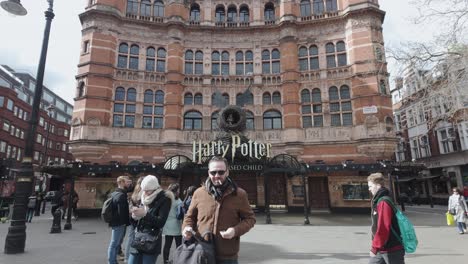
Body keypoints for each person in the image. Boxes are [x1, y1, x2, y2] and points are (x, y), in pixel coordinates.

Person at [182, 156, 256, 264]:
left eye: (221, 172)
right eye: (213, 172)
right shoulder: (199, 193)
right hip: (202, 250)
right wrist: (186, 228)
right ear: (208, 173)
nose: (217, 176)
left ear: (227, 172)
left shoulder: (239, 194)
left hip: (227, 255)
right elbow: (189, 217)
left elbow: (250, 219)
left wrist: (235, 231)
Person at [128, 175, 172, 264]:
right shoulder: (143, 197)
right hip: (138, 238)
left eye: (148, 190)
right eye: (143, 190)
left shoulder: (165, 199)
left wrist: (144, 214)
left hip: (151, 240)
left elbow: (160, 222)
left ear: (155, 188)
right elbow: (135, 223)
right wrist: (134, 216)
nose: (145, 193)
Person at [367, 172, 405, 264]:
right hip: (382, 248)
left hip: (392, 249)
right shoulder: (378, 201)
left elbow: (383, 226)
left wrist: (375, 247)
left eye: (371, 186)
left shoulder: (383, 202)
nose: (369, 189)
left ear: (378, 185)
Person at [107, 175, 133, 264]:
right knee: (114, 243)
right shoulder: (121, 195)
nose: (128, 183)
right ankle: (112, 261)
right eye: (127, 182)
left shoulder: (115, 193)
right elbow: (121, 212)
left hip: (116, 222)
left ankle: (113, 260)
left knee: (115, 243)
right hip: (119, 223)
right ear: (121, 183)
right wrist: (128, 216)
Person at [125, 176, 144, 263]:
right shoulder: (143, 193)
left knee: (131, 237)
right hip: (140, 218)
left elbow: (130, 207)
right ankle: (136, 257)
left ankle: (127, 257)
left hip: (133, 218)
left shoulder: (134, 193)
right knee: (138, 238)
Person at [162, 183, 183, 264]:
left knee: (167, 245)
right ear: (176, 190)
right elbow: (179, 214)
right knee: (178, 245)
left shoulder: (166, 199)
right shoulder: (177, 200)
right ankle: (179, 260)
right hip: (177, 224)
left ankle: (165, 261)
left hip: (167, 224)